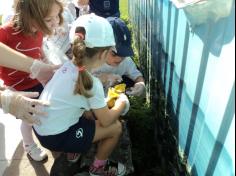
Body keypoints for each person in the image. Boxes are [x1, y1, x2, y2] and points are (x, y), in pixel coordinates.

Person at [33, 14, 129, 176]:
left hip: (41, 128)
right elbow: (106, 120)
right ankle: (98, 168)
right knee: (116, 127)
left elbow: (82, 106)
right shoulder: (92, 83)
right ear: (102, 54)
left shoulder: (66, 68)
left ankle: (73, 150)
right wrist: (122, 103)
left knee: (89, 115)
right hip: (55, 136)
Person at [0, 0, 64, 161]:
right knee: (29, 118)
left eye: (57, 16)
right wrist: (5, 94)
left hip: (35, 80)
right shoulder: (6, 32)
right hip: (17, 88)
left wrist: (44, 59)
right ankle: (29, 145)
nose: (55, 22)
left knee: (44, 109)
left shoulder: (38, 29)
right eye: (49, 19)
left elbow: (38, 46)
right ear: (29, 17)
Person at [93, 17, 146, 97]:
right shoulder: (91, 60)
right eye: (114, 54)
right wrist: (102, 78)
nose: (119, 59)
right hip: (91, 101)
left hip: (109, 99)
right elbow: (80, 83)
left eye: (124, 54)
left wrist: (140, 84)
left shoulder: (126, 61)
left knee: (128, 83)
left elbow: (137, 76)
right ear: (101, 47)